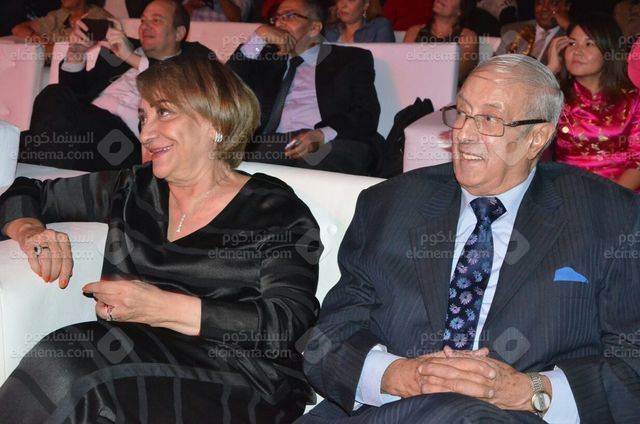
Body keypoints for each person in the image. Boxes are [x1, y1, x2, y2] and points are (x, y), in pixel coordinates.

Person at [298, 54, 640, 423]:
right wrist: (401, 377)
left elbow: (631, 362)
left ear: (536, 138)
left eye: (489, 119)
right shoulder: (390, 205)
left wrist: (527, 391)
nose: (463, 133)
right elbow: (328, 340)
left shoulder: (610, 217)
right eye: (461, 113)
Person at [0, 52, 322, 423]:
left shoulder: (273, 208)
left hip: (245, 377)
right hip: (135, 359)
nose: (146, 133)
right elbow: (25, 191)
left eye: (164, 112)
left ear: (214, 120)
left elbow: (288, 322)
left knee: (74, 362)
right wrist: (31, 231)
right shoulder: (134, 188)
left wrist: (160, 307)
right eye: (143, 117)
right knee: (73, 357)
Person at [19, 0, 213, 172]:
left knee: (37, 137)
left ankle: (47, 176)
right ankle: (52, 175)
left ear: (179, 33)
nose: (145, 26)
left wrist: (130, 57)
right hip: (83, 130)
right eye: (143, 20)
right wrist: (76, 53)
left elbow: (182, 91)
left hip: (121, 145)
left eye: (156, 20)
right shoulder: (120, 51)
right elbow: (72, 94)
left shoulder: (194, 60)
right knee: (18, 140)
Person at [227, 0, 385, 176]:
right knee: (224, 157)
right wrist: (258, 36)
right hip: (271, 144)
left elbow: (366, 112)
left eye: (289, 16)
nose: (279, 23)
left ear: (314, 28)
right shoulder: (265, 60)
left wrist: (320, 135)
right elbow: (225, 88)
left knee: (320, 161)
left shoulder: (349, 60)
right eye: (276, 18)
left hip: (328, 142)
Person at [547, 14, 640, 192]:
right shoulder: (555, 97)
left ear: (608, 51)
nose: (577, 51)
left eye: (589, 44)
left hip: (621, 195)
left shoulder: (632, 99)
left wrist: (608, 200)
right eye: (571, 44)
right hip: (569, 193)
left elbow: (637, 161)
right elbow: (516, 117)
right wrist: (550, 70)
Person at [403, 0, 478, 84]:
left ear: (460, 10)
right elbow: (403, 69)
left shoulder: (467, 37)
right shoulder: (414, 32)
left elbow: (456, 75)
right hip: (413, 87)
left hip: (449, 90)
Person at [11, 0, 112, 59]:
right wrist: (38, 39)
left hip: (78, 74)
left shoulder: (99, 17)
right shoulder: (59, 15)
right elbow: (18, 29)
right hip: (46, 67)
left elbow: (78, 52)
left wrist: (48, 48)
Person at [496, 0, 570, 64]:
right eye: (540, 3)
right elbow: (495, 66)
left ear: (567, 6)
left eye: (553, 3)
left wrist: (568, 26)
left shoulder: (569, 37)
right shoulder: (512, 30)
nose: (545, 8)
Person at [324, 0, 394, 43]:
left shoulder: (380, 27)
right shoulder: (330, 30)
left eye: (351, 0)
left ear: (365, 4)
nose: (343, 6)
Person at [182, 0, 251, 21]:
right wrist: (191, 5)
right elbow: (179, 19)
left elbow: (237, 19)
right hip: (194, 37)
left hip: (224, 39)